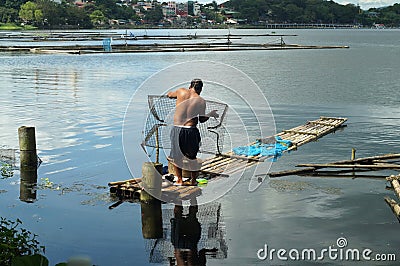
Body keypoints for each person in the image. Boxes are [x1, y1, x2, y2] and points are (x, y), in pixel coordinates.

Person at [167, 79, 218, 186]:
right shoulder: (200, 101)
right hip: (190, 130)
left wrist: (171, 95)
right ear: (200, 89)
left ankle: (179, 180)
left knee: (177, 157)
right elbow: (201, 119)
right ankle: (193, 181)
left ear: (190, 86)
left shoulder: (180, 91)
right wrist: (211, 114)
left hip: (177, 129)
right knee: (192, 157)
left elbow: (170, 95)